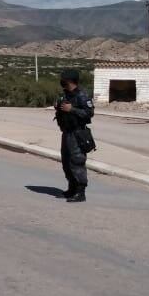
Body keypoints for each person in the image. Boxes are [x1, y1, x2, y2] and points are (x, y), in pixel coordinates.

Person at [54, 69, 95, 202]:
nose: (62, 82)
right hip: (66, 132)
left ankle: (80, 192)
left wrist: (72, 109)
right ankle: (71, 188)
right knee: (66, 161)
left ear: (70, 80)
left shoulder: (82, 95)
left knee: (76, 161)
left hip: (78, 133)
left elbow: (89, 113)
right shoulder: (65, 95)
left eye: (64, 80)